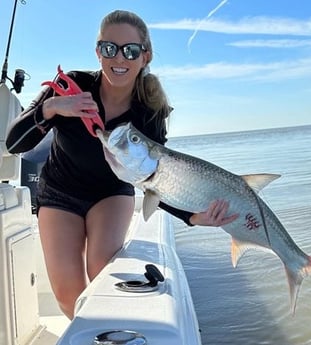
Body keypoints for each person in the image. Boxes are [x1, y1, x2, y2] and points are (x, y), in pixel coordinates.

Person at [6, 10, 238, 319]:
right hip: (60, 192)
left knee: (101, 266)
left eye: (130, 50)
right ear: (98, 51)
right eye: (109, 48)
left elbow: (156, 178)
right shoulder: (70, 86)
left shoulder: (150, 111)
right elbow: (14, 144)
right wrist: (52, 107)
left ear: (145, 56)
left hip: (111, 193)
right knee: (68, 293)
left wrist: (192, 217)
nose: (119, 58)